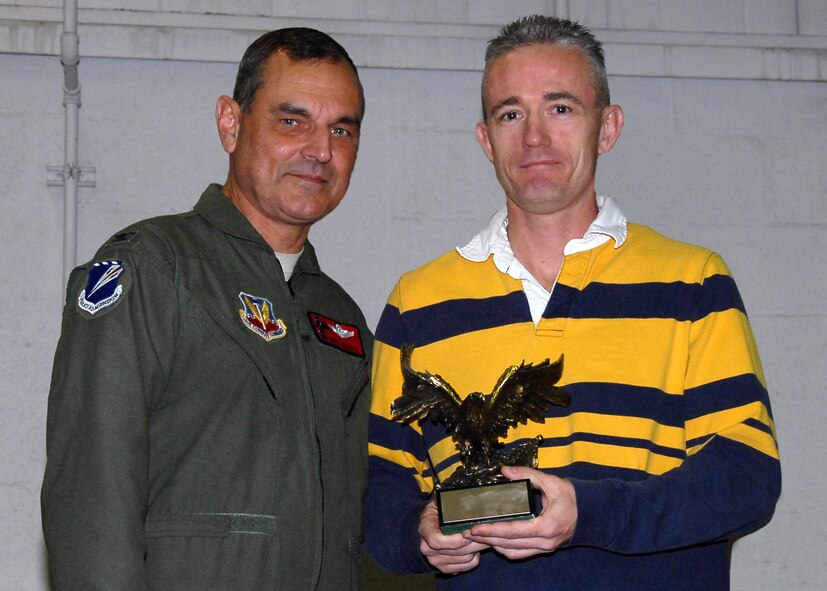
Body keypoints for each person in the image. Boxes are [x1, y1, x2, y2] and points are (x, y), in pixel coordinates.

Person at [365, 14, 780, 590]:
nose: (534, 137)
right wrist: (421, 533)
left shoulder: (693, 281)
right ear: (486, 139)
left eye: (560, 108)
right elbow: (380, 491)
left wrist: (591, 513)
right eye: (511, 114)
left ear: (607, 128)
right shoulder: (418, 302)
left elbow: (747, 476)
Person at [41, 27, 372, 590]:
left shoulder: (341, 316)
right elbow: (92, 497)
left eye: (341, 128)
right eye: (292, 121)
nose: (321, 151)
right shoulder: (153, 268)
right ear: (231, 122)